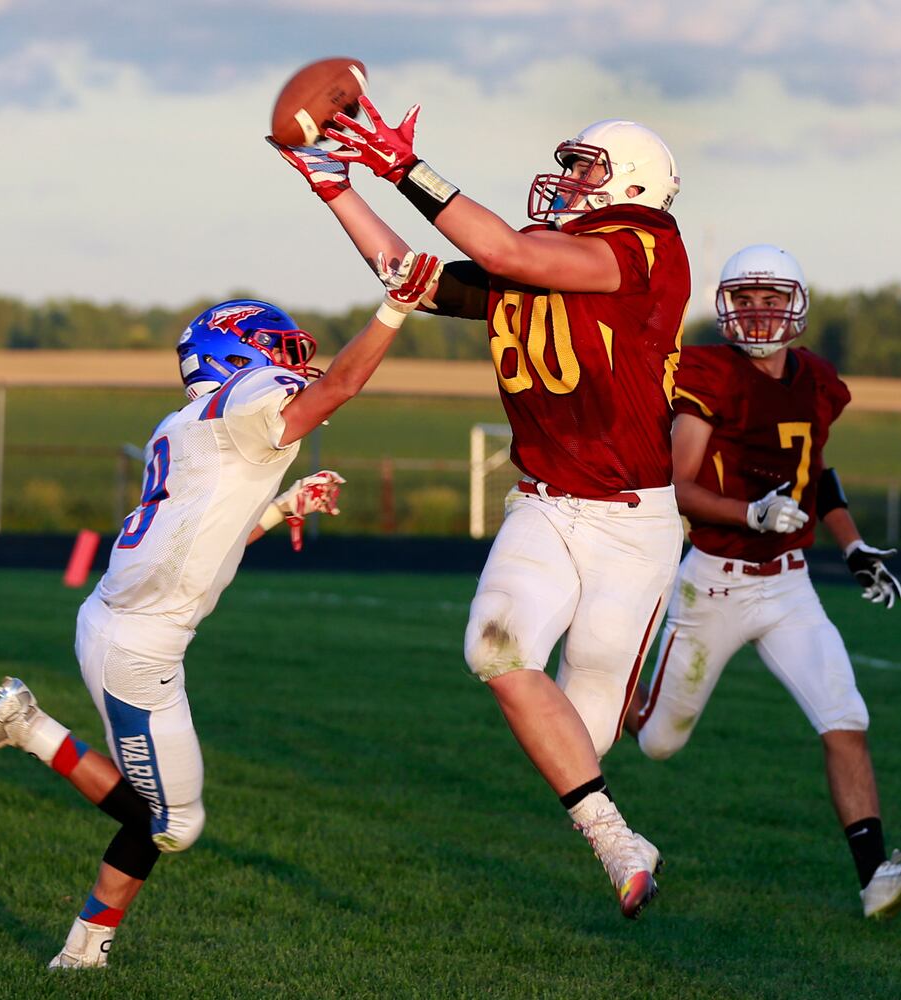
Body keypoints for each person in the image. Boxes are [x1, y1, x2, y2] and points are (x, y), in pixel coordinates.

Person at [0, 256, 443, 969]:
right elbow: (341, 386)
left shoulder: (190, 423)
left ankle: (84, 945)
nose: (291, 365)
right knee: (173, 823)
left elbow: (205, 534)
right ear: (236, 356)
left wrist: (282, 504)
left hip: (128, 626)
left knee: (164, 815)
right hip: (136, 645)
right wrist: (395, 308)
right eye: (276, 351)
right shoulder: (244, 401)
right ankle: (31, 735)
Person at [270, 99, 691, 918]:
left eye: (585, 168)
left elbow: (494, 245)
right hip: (541, 503)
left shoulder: (647, 247)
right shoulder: (537, 257)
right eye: (568, 164)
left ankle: (645, 683)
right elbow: (412, 279)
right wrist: (336, 189)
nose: (567, 179)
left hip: (632, 523)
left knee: (586, 737)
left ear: (634, 183)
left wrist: (400, 167)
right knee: (495, 650)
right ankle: (615, 839)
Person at [624, 243, 901, 919]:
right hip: (713, 580)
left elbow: (816, 472)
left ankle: (875, 877)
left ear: (795, 306)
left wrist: (851, 545)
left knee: (844, 717)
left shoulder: (816, 380)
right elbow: (676, 486)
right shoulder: (708, 373)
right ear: (725, 308)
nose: (757, 312)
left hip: (789, 585)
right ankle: (608, 681)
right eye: (743, 300)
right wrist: (750, 511)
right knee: (658, 743)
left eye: (770, 299)